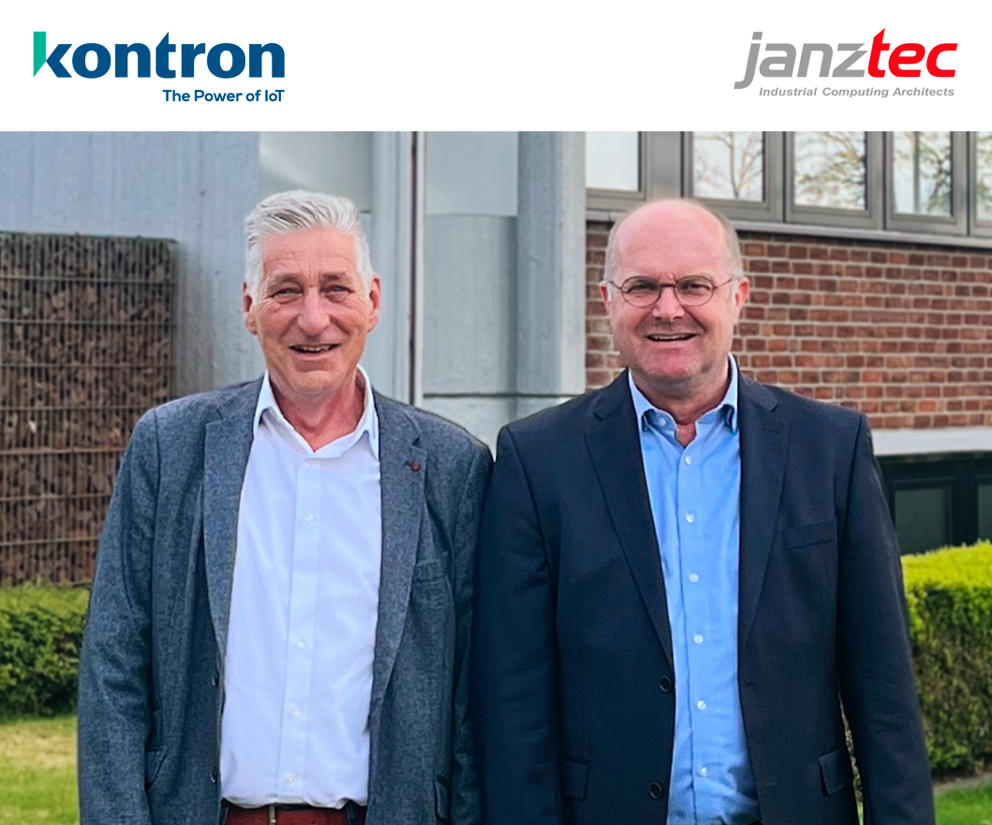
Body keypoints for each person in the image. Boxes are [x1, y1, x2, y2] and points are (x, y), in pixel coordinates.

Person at [471, 199, 934, 825]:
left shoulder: (830, 449)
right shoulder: (538, 460)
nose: (668, 309)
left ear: (738, 296)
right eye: (642, 286)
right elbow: (513, 700)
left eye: (694, 285)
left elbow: (885, 690)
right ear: (607, 300)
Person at [78, 190, 491, 825]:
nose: (313, 319)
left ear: (373, 300)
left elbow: (472, 698)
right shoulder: (171, 447)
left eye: (336, 288)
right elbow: (114, 664)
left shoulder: (451, 466)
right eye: (286, 291)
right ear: (250, 307)